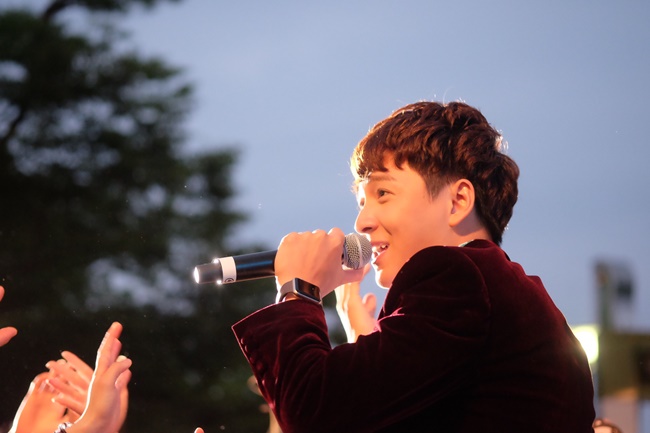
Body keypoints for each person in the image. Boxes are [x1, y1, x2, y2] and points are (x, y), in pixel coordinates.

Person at [232, 101, 596, 432]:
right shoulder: (504, 290)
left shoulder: (458, 276)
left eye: (383, 193)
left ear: (458, 201)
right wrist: (369, 348)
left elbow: (314, 414)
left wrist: (299, 291)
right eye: (362, 202)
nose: (362, 222)